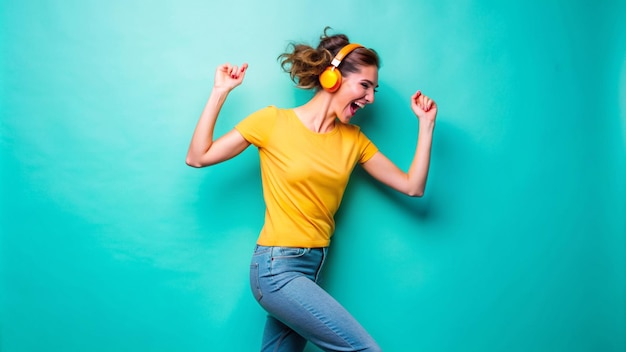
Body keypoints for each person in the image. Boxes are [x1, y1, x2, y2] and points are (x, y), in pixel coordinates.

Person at [186, 28, 437, 352]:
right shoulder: (272, 122)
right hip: (276, 268)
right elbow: (198, 156)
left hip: (310, 268)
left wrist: (426, 125)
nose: (371, 97)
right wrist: (220, 92)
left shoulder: (354, 140)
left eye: (374, 89)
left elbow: (412, 187)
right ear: (332, 78)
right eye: (364, 85)